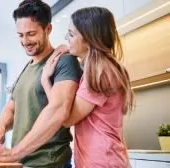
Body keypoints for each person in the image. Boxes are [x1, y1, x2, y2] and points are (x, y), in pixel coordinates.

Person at [0, 0, 82, 167]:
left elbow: (58, 111)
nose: (25, 41)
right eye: (20, 35)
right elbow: (12, 106)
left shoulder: (64, 61)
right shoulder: (28, 67)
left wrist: (13, 153)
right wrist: (0, 130)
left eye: (31, 34)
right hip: (23, 163)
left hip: (50, 163)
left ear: (48, 29)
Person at [41, 7, 134, 168]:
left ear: (89, 38)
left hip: (100, 162)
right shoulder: (104, 68)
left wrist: (45, 81)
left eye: (71, 34)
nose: (66, 38)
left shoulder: (99, 74)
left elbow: (66, 118)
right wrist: (69, 50)